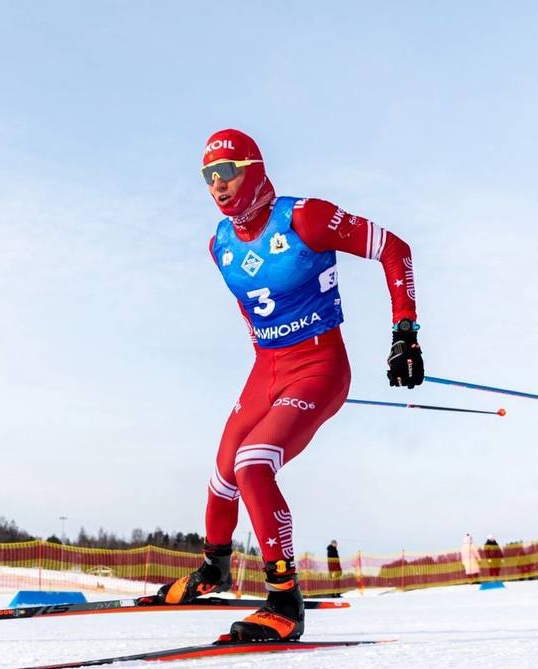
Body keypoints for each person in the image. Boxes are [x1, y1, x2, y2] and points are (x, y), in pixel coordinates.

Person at [146, 128, 422, 642]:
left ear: (252, 168)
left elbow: (395, 249)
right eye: (208, 177)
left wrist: (405, 332)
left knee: (254, 464)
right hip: (266, 367)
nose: (217, 186)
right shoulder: (219, 244)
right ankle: (215, 568)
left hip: (320, 366)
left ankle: (284, 601)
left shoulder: (305, 217)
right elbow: (247, 302)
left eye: (226, 172)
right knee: (223, 470)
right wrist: (266, 344)